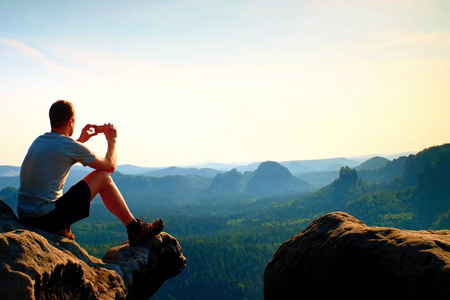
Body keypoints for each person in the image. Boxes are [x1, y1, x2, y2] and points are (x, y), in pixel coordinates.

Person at [17, 100, 164, 246]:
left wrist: (81, 140)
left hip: (25, 216)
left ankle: (61, 229)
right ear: (71, 121)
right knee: (102, 177)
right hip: (44, 218)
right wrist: (112, 140)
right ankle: (135, 229)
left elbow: (63, 153)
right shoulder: (68, 145)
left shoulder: (40, 140)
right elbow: (110, 166)